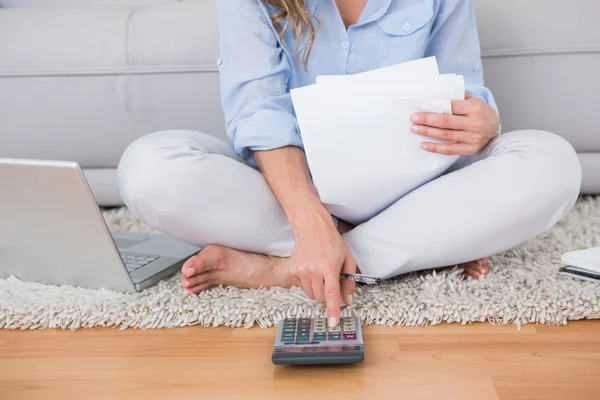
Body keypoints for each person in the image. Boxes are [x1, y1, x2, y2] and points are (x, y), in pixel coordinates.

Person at [117, 0, 582, 328]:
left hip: (412, 190)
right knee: (150, 168)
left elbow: (463, 91)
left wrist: (484, 122)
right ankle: (396, 248)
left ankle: (282, 269)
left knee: (553, 164)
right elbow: (258, 115)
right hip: (292, 189)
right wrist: (312, 222)